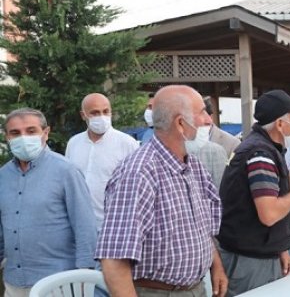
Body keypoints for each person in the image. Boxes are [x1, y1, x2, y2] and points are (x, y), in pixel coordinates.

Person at [96, 85, 227, 297]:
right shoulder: (139, 173)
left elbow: (201, 229)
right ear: (181, 124)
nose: (208, 120)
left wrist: (216, 266)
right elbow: (114, 261)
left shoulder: (193, 165)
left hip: (195, 288)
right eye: (202, 112)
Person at [217, 90, 290, 295]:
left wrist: (280, 248)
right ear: (279, 124)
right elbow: (268, 214)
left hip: (261, 254)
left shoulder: (265, 148)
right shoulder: (261, 155)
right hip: (250, 261)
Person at [0, 108, 97, 296]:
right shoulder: (3, 176)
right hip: (14, 282)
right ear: (7, 137)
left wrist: (85, 276)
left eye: (31, 131)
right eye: (15, 133)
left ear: (45, 133)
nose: (23, 137)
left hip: (58, 282)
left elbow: (85, 227)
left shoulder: (66, 171)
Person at [65, 93, 140, 230]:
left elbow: (137, 187)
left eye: (105, 111)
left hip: (114, 226)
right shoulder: (74, 143)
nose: (101, 116)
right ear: (83, 115)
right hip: (79, 226)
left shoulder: (127, 144)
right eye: (95, 112)